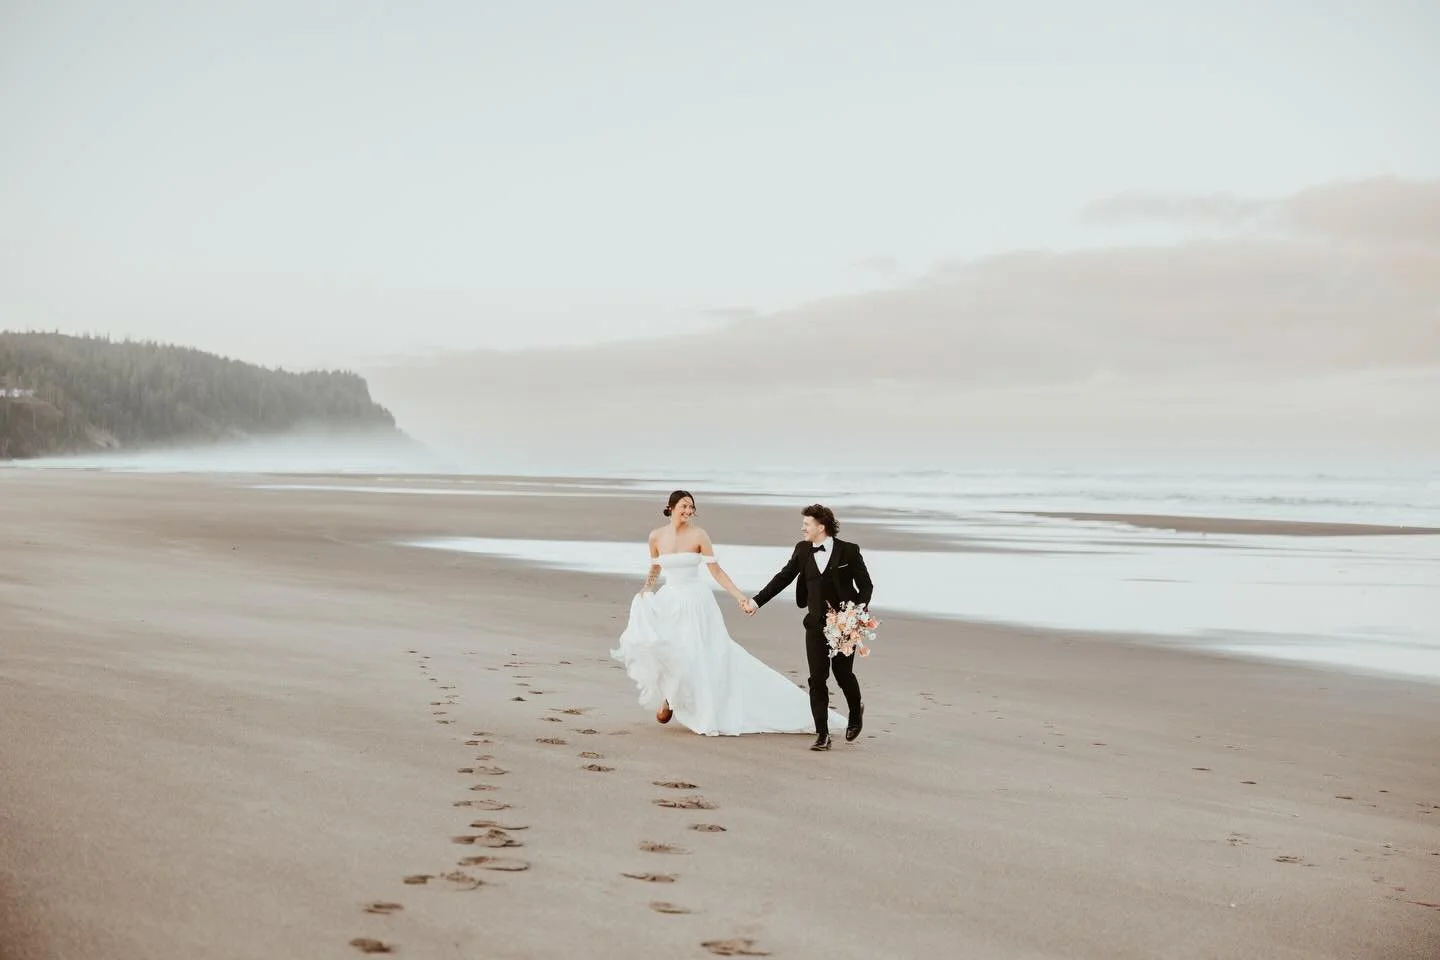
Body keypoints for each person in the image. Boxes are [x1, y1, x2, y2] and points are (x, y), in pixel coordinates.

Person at [611, 490, 845, 737]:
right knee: (670, 649)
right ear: (670, 507)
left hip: (697, 602)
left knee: (699, 653)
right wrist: (646, 590)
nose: (689, 511)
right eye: (684, 506)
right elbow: (655, 568)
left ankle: (679, 700)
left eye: (691, 507)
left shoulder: (699, 535)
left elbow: (716, 571)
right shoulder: (656, 536)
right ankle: (670, 696)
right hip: (669, 600)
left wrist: (740, 596)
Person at [744, 503, 872, 751]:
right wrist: (757, 602)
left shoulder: (849, 551)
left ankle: (856, 711)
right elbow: (783, 578)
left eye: (807, 524)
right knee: (817, 678)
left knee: (843, 675)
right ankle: (822, 734)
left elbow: (866, 586)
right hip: (815, 623)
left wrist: (857, 612)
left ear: (821, 527)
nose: (803, 528)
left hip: (845, 624)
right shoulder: (802, 551)